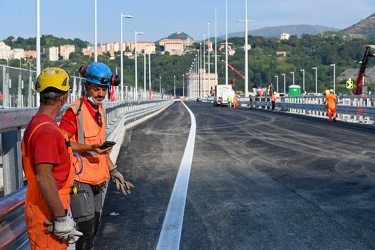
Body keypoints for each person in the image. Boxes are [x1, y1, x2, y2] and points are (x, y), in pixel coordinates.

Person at [59, 62, 134, 250]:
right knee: (85, 230)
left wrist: (114, 170)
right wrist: (89, 147)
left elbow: (100, 147)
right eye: (96, 89)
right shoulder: (74, 112)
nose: (100, 94)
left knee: (94, 230)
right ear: (86, 87)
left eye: (104, 90)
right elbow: (61, 143)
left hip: (99, 179)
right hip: (80, 179)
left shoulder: (101, 110)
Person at [21, 67, 82, 249]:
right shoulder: (47, 131)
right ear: (63, 97)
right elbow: (44, 176)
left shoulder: (38, 123)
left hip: (47, 207)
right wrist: (60, 217)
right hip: (47, 214)